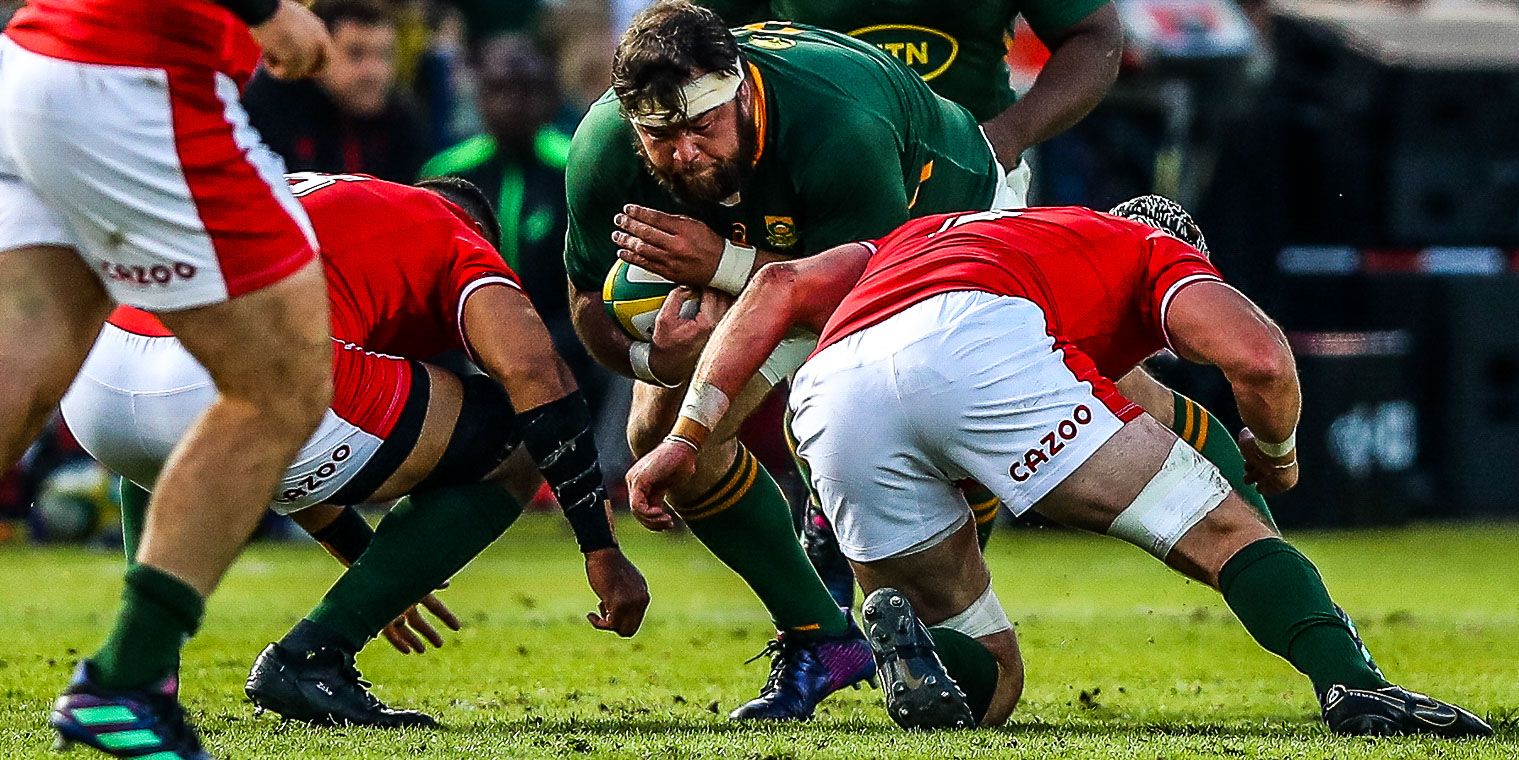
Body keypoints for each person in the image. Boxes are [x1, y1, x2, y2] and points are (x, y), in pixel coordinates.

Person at [627, 202, 1493, 738]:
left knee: (989, 680)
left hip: (834, 387)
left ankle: (911, 644)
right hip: (979, 343)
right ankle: (1354, 686)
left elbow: (776, 285)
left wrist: (684, 437)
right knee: (1227, 534)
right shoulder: (1145, 248)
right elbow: (1260, 360)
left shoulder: (950, 231)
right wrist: (1277, 455)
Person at [563, 0, 1022, 720]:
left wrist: (724, 263)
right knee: (661, 439)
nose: (684, 153)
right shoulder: (603, 147)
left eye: (701, 126)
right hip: (765, 251)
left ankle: (943, 528)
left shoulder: (838, 124)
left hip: (936, 228)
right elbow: (586, 300)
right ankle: (821, 636)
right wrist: (651, 357)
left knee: (880, 421)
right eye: (660, 135)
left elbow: (871, 293)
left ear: (742, 91)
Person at [58, 172, 651, 729]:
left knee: (165, 450)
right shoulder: (453, 231)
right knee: (517, 438)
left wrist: (379, 571)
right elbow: (537, 374)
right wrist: (601, 549)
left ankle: (142, 672)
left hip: (99, 372)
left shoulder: (328, 196)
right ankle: (311, 659)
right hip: (228, 378)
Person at [0, 0, 337, 757]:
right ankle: (126, 682)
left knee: (11, 393)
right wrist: (266, 10)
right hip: (138, 77)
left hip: (34, 65)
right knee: (281, 387)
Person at [700, 0, 1123, 206]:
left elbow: (1094, 33)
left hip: (972, 172)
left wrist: (1004, 138)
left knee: (995, 337)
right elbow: (692, 40)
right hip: (812, 179)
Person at [421, 34, 605, 411]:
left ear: (550, 98)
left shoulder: (575, 169)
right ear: (480, 96)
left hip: (569, 362)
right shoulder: (446, 174)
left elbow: (600, 278)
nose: (512, 104)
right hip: (467, 365)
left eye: (527, 91)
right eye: (500, 90)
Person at [245, 0, 429, 182]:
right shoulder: (267, 108)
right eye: (356, 54)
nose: (373, 72)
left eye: (384, 55)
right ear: (320, 51)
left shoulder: (403, 119)